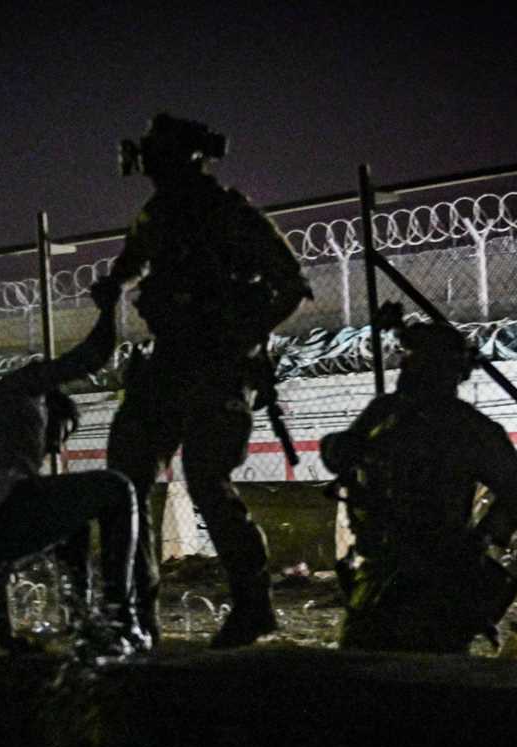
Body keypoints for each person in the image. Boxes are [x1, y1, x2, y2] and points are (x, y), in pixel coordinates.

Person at [94, 114, 312, 649]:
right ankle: (132, 611)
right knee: (126, 478)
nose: (150, 166)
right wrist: (115, 286)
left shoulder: (228, 214)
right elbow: (131, 263)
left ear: (187, 157)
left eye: (160, 155)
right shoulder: (158, 214)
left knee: (208, 484)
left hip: (216, 367)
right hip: (169, 363)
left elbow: (290, 283)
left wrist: (240, 334)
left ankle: (253, 606)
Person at [0, 278, 149, 658]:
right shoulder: (21, 389)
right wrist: (109, 308)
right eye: (59, 432)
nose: (55, 445)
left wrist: (5, 634)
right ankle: (121, 618)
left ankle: (81, 620)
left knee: (75, 520)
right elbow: (90, 358)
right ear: (48, 407)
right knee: (116, 488)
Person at [320, 304, 517, 653]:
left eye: (416, 359)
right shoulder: (387, 412)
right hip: (379, 568)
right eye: (408, 357)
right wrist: (337, 448)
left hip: (436, 577)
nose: (405, 366)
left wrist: (479, 541)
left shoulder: (467, 428)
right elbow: (342, 454)